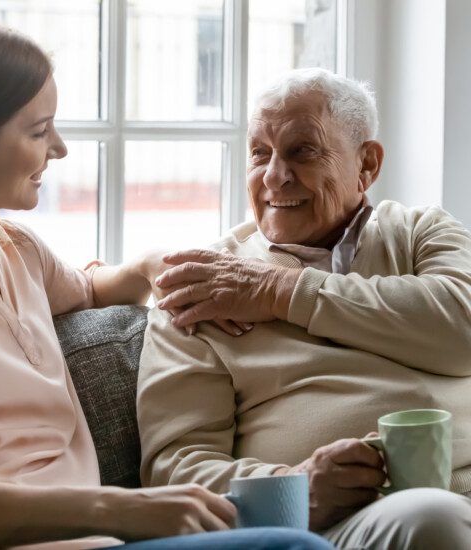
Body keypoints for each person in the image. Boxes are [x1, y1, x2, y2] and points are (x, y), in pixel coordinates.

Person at [0, 13, 335, 550]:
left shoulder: (13, 249)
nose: (61, 148)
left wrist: (149, 265)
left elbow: (90, 289)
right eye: (38, 130)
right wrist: (123, 508)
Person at [137, 68, 471, 549]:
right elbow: (175, 469)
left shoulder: (422, 232)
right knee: (430, 517)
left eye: (302, 151)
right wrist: (293, 486)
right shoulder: (202, 289)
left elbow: (462, 328)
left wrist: (282, 291)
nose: (274, 175)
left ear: (367, 165)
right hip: (342, 523)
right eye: (259, 153)